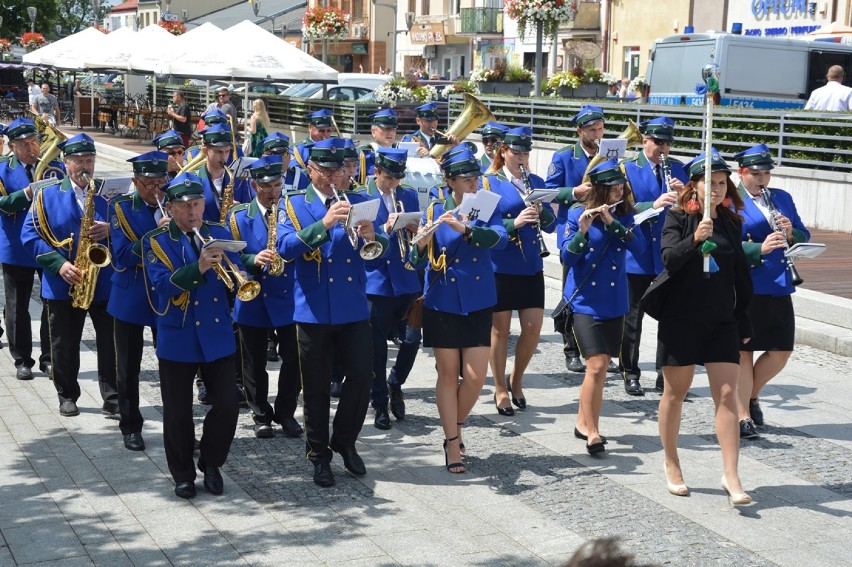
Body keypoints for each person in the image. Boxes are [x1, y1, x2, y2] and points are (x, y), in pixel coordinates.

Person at [277, 137, 390, 487]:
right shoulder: (293, 204)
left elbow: (381, 250)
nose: (333, 177)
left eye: (338, 170)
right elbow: (284, 248)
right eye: (325, 170)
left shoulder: (360, 201)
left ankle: (345, 440)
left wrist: (376, 235)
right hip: (312, 309)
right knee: (315, 387)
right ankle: (319, 455)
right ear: (311, 170)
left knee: (361, 375)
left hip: (353, 305)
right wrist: (323, 224)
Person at [643, 148, 753, 505]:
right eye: (711, 183)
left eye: (723, 183)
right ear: (696, 186)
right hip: (681, 317)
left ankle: (731, 474)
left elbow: (740, 274)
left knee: (726, 395)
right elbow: (668, 260)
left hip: (721, 319)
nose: (718, 190)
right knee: (676, 393)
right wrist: (693, 239)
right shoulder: (676, 217)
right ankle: (671, 462)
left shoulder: (732, 222)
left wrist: (745, 319)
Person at [141, 172, 243, 498]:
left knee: (228, 404)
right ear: (170, 208)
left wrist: (240, 275)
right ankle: (182, 473)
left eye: (197, 204)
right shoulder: (155, 241)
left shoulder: (219, 233)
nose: (193, 212)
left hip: (216, 331)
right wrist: (198, 267)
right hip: (178, 334)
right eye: (185, 206)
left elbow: (237, 272)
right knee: (178, 411)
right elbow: (162, 286)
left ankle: (212, 462)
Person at [410, 146, 508, 474]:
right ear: (450, 181)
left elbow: (500, 239)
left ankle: (456, 423)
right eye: (466, 179)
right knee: (448, 374)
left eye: (475, 177)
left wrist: (467, 229)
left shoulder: (487, 204)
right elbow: (417, 260)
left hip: (479, 298)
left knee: (477, 378)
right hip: (444, 301)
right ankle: (452, 440)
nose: (473, 183)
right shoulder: (436, 209)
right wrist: (423, 244)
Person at [21, 133, 117, 418]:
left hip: (103, 283)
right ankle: (67, 394)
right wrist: (59, 265)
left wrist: (111, 229)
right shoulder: (46, 194)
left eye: (89, 160)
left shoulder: (108, 193)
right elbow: (30, 235)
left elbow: (130, 228)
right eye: (78, 161)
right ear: (65, 162)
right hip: (64, 281)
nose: (84, 166)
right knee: (64, 343)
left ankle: (112, 397)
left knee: (111, 343)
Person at [562, 158, 645, 455]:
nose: (618, 192)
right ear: (599, 189)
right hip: (586, 302)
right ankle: (594, 431)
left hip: (615, 302)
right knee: (596, 366)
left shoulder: (626, 216)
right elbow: (567, 260)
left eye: (621, 187)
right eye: (612, 188)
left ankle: (582, 422)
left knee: (597, 370)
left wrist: (612, 223)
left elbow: (640, 249)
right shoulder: (576, 214)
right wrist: (582, 232)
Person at [734, 143, 810, 438]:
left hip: (778, 282)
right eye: (756, 173)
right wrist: (757, 248)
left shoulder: (781, 198)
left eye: (766, 173)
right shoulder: (730, 201)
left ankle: (751, 395)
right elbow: (721, 242)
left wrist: (792, 233)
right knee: (744, 351)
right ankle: (742, 415)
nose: (763, 179)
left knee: (781, 350)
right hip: (747, 283)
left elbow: (804, 233)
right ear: (742, 172)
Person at [227, 154, 304, 439]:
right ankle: (260, 413)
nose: (272, 192)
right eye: (265, 186)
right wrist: (250, 259)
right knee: (253, 360)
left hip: (287, 294)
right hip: (254, 295)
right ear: (253, 186)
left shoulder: (292, 210)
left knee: (294, 358)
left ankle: (286, 412)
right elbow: (229, 253)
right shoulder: (237, 216)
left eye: (276, 185)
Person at [483, 126, 556, 416]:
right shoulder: (489, 183)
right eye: (517, 152)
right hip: (501, 264)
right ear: (504, 151)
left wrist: (541, 210)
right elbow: (486, 222)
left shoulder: (535, 181)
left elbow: (550, 225)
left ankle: (518, 378)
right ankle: (500, 387)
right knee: (500, 331)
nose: (522, 157)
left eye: (526, 152)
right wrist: (515, 222)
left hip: (530, 265)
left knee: (533, 328)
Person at [620, 117, 688, 395]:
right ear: (645, 140)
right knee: (632, 318)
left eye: (668, 143)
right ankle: (630, 372)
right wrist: (653, 205)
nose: (664, 148)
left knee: (671, 318)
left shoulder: (680, 169)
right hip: (637, 254)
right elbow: (621, 207)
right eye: (658, 142)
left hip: (667, 253)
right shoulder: (625, 169)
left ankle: (665, 373)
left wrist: (684, 196)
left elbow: (694, 208)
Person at [108, 151, 170, 451]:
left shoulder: (174, 202)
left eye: (161, 181)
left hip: (165, 295)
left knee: (174, 365)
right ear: (135, 181)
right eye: (149, 183)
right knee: (128, 366)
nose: (157, 189)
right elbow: (122, 255)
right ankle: (130, 425)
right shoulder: (121, 207)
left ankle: (179, 426)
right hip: (131, 295)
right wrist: (160, 234)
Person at [363, 147, 422, 429]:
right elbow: (361, 243)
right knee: (376, 348)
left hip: (407, 279)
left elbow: (419, 234)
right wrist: (384, 230)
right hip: (378, 282)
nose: (394, 184)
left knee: (412, 339)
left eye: (398, 178)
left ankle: (395, 382)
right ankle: (379, 403)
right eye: (389, 178)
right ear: (376, 172)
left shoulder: (408, 194)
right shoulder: (362, 198)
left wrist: (416, 230)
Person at [0, 118, 61, 380]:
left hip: (48, 245)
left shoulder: (53, 167)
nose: (31, 147)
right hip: (15, 247)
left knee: (52, 303)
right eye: (24, 144)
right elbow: (3, 204)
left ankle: (49, 359)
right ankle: (22, 359)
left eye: (34, 141)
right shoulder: (2, 170)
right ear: (11, 146)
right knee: (17, 307)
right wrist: (27, 192)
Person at [545, 105, 601, 374]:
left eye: (600, 128)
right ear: (579, 131)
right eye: (592, 130)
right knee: (572, 292)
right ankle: (571, 348)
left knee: (599, 291)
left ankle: (597, 348)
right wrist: (573, 192)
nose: (597, 133)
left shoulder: (608, 154)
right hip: (573, 230)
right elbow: (548, 191)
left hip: (603, 231)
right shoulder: (565, 156)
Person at [356, 109, 398, 183]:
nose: (390, 133)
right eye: (386, 129)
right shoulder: (363, 154)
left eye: (393, 129)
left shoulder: (400, 151)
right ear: (373, 132)